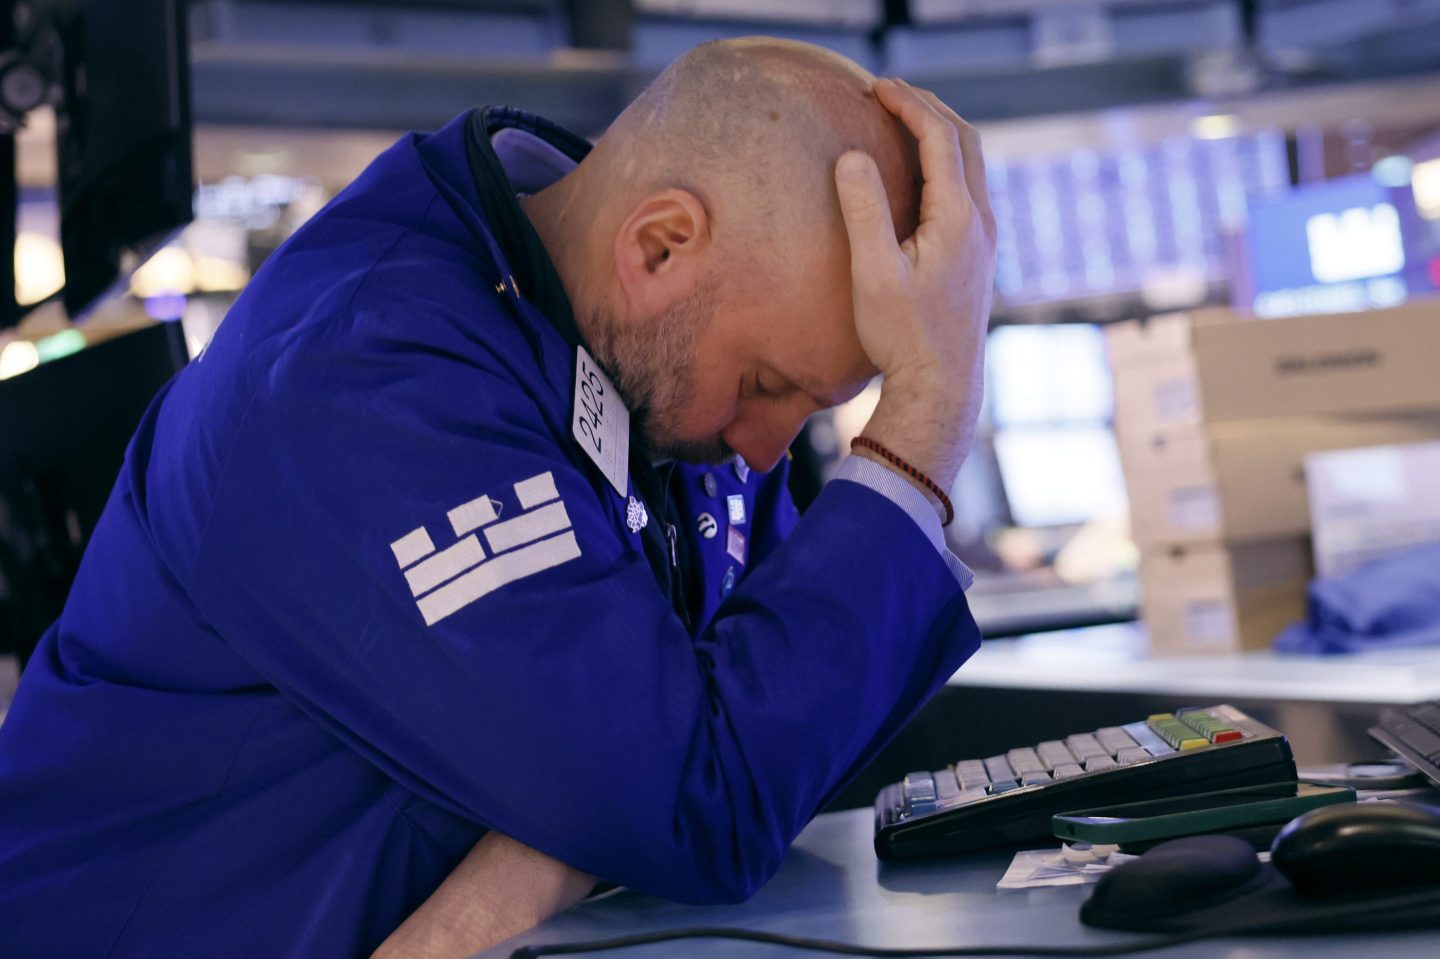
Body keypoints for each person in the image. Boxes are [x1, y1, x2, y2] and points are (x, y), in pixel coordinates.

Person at [0, 36, 996, 958]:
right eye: (767, 383)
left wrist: (554, 850)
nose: (769, 450)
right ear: (659, 246)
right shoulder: (367, 375)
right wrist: (927, 422)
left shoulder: (636, 355)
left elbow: (760, 732)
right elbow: (704, 797)